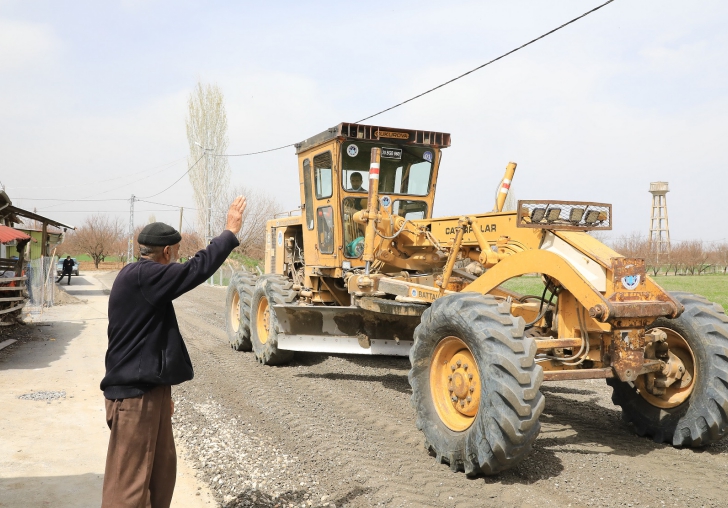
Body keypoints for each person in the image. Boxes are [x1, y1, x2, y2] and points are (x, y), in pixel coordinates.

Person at [100, 196, 246, 508]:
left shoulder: (141, 278)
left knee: (160, 475)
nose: (178, 260)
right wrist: (229, 234)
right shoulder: (146, 276)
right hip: (134, 398)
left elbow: (148, 338)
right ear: (167, 252)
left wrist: (162, 393)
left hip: (149, 392)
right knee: (127, 490)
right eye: (177, 254)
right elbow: (197, 269)